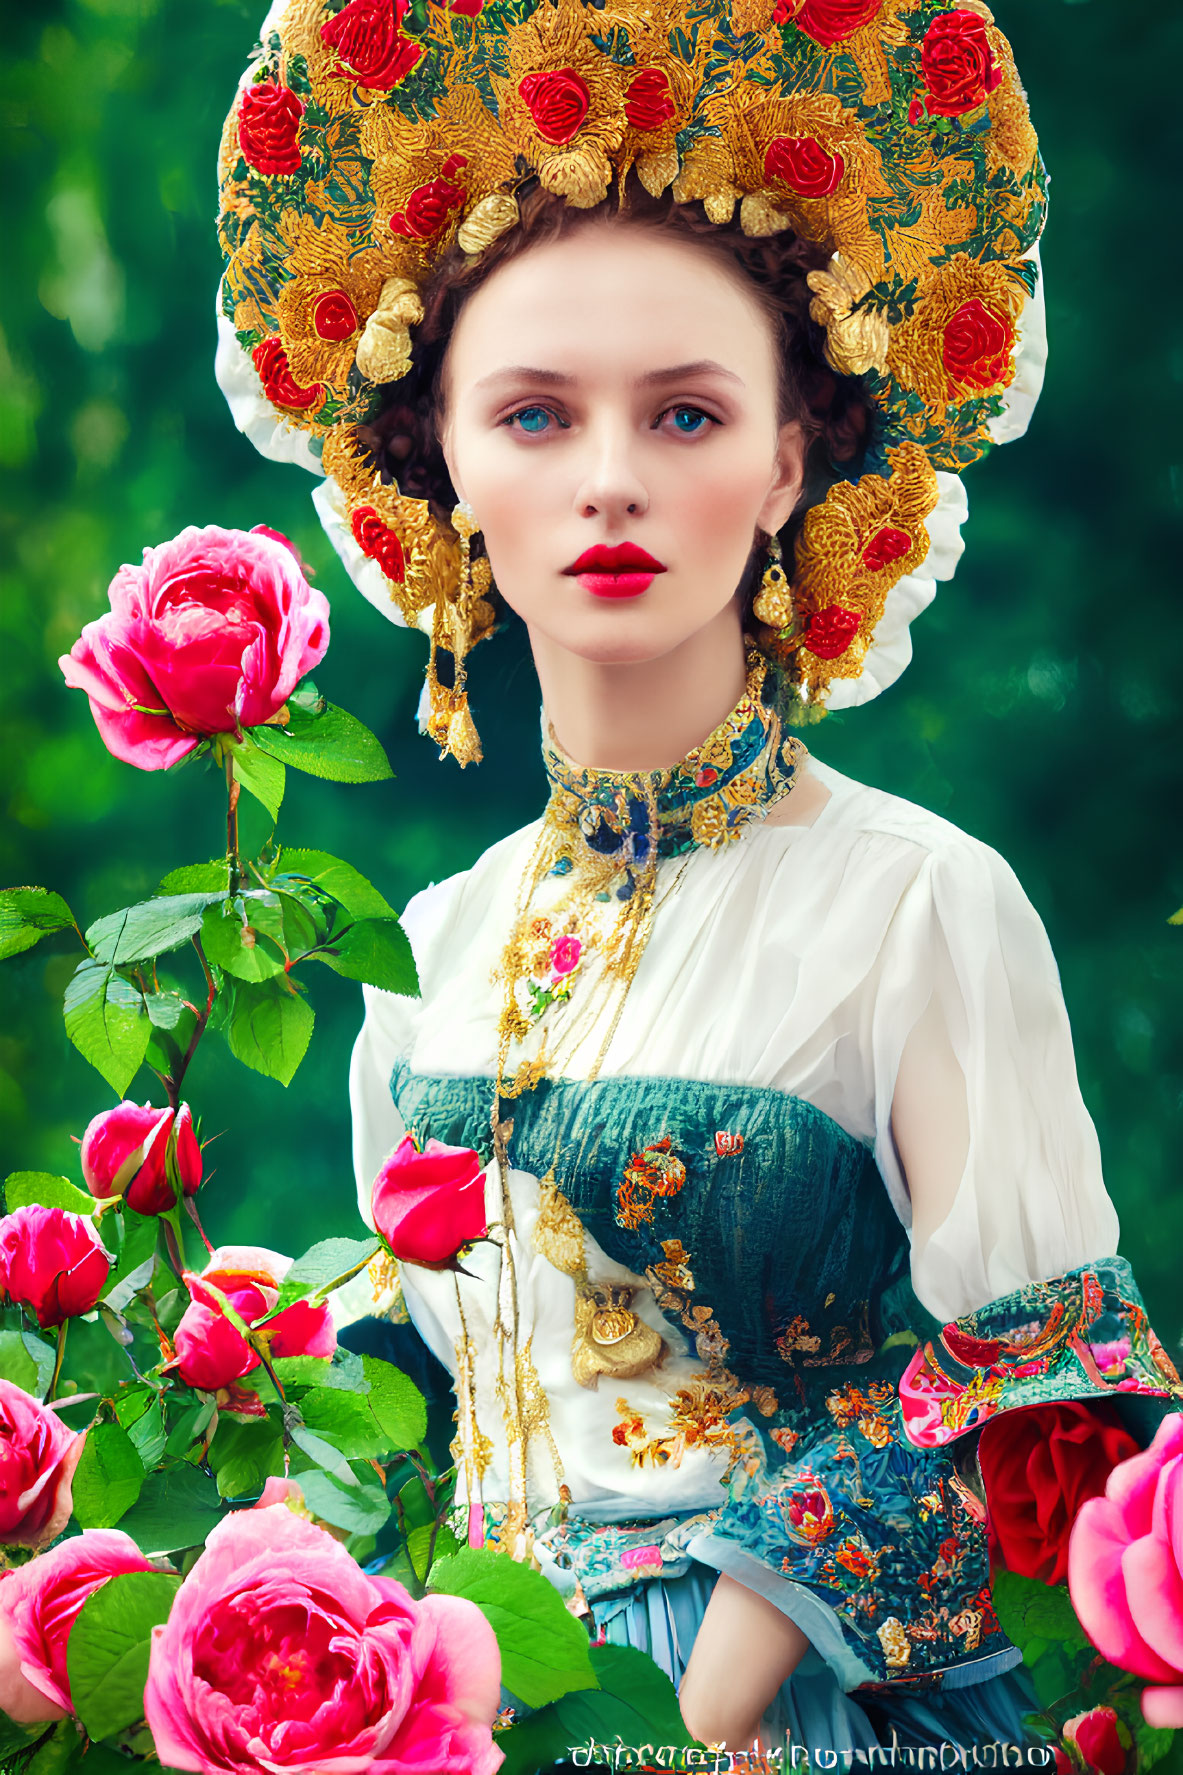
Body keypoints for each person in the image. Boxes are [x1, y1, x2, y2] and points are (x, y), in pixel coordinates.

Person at [214, 0, 1182, 1756]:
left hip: (793, 1708)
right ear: (441, 465)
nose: (607, 484)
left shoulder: (919, 902)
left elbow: (1043, 1378)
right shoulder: (434, 940)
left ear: (789, 458)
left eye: (681, 413)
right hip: (464, 1702)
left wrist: (715, 1682)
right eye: (533, 415)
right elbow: (407, 1389)